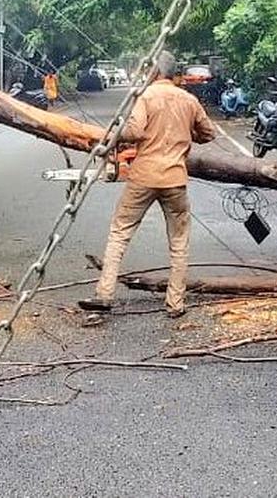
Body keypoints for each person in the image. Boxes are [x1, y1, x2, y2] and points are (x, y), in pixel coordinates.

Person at [78, 51, 217, 317]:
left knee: (120, 232)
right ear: (173, 74)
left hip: (143, 176)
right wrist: (186, 136)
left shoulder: (146, 96)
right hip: (175, 178)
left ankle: (105, 294)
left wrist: (115, 133)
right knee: (179, 242)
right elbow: (208, 134)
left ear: (154, 73)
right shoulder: (189, 100)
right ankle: (175, 304)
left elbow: (135, 131)